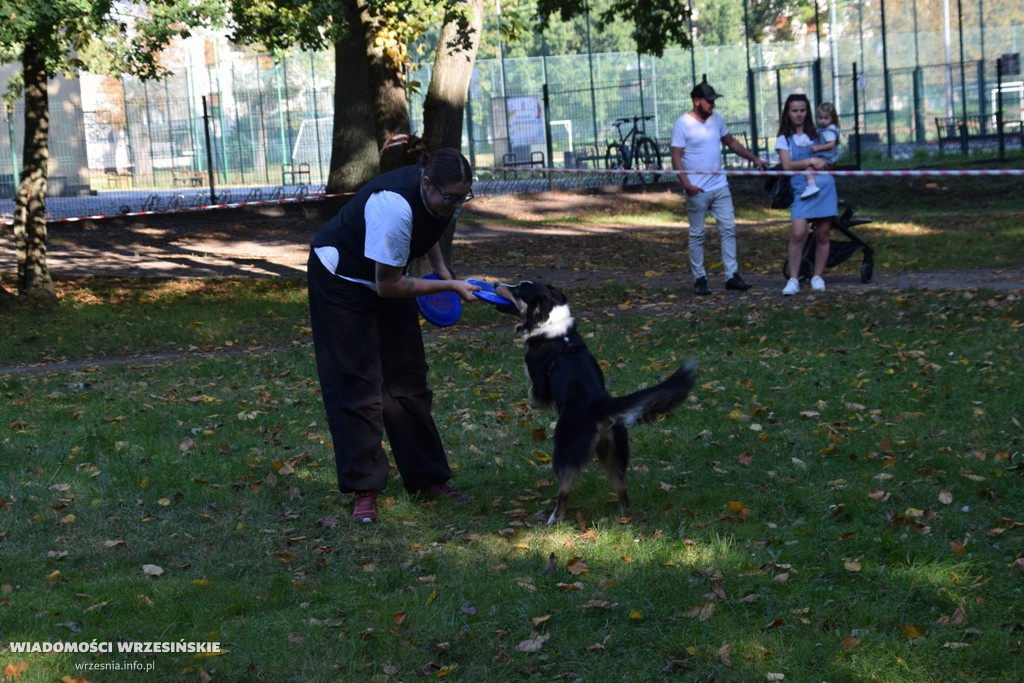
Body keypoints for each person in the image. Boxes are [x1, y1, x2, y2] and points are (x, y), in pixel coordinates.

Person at [307, 148, 481, 523]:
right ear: (426, 182)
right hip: (343, 280)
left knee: (408, 376)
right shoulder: (394, 207)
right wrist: (449, 287)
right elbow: (388, 287)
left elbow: (427, 228)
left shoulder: (441, 198)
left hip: (390, 275)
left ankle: (426, 479)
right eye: (449, 197)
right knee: (359, 382)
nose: (455, 205)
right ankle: (364, 488)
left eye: (462, 197)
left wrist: (440, 269)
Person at [671, 81, 767, 296]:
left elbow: (731, 142)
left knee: (729, 229)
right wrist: (686, 185)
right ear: (697, 101)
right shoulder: (682, 124)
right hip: (697, 190)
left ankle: (731, 276)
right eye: (709, 101)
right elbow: (676, 157)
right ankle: (700, 278)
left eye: (713, 101)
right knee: (697, 235)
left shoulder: (717, 120)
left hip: (720, 186)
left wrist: (754, 158)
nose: (712, 105)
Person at [777, 94, 839, 295]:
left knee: (822, 234)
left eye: (802, 110)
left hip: (825, 188)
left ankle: (818, 277)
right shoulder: (783, 139)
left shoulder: (819, 134)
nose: (799, 114)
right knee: (797, 234)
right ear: (788, 112)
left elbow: (830, 156)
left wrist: (825, 160)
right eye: (794, 110)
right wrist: (810, 161)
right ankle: (793, 279)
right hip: (801, 191)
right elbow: (787, 165)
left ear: (808, 111)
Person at [800, 102, 841, 199]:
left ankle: (811, 186)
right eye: (820, 118)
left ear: (832, 119)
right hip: (824, 158)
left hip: (826, 159)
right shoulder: (823, 129)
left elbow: (831, 144)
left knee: (808, 168)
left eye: (826, 118)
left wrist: (818, 148)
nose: (822, 121)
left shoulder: (829, 131)